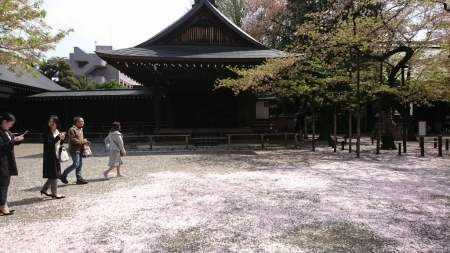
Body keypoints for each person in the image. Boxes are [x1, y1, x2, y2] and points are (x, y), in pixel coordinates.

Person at [0, 112, 24, 215]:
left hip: (8, 160)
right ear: (4, 121)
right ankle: (2, 205)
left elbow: (10, 142)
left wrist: (18, 140)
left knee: (5, 183)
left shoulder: (7, 132)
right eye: (10, 123)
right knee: (3, 184)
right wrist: (13, 141)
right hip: (2, 161)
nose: (11, 126)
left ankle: (3, 204)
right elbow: (2, 146)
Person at [41, 115, 66, 199]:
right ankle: (54, 193)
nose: (51, 123)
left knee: (53, 174)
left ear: (57, 123)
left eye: (53, 122)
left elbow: (59, 144)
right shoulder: (47, 132)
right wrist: (58, 137)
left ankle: (44, 189)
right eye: (49, 122)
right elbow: (48, 144)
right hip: (50, 156)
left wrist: (62, 138)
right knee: (55, 175)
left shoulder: (57, 131)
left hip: (57, 155)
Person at [59, 116, 89, 185]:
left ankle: (79, 179)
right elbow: (73, 140)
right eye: (82, 121)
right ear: (77, 122)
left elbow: (80, 139)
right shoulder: (72, 129)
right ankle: (63, 175)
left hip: (80, 149)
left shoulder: (80, 129)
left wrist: (85, 141)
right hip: (74, 149)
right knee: (76, 164)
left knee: (80, 164)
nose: (83, 123)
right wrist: (82, 141)